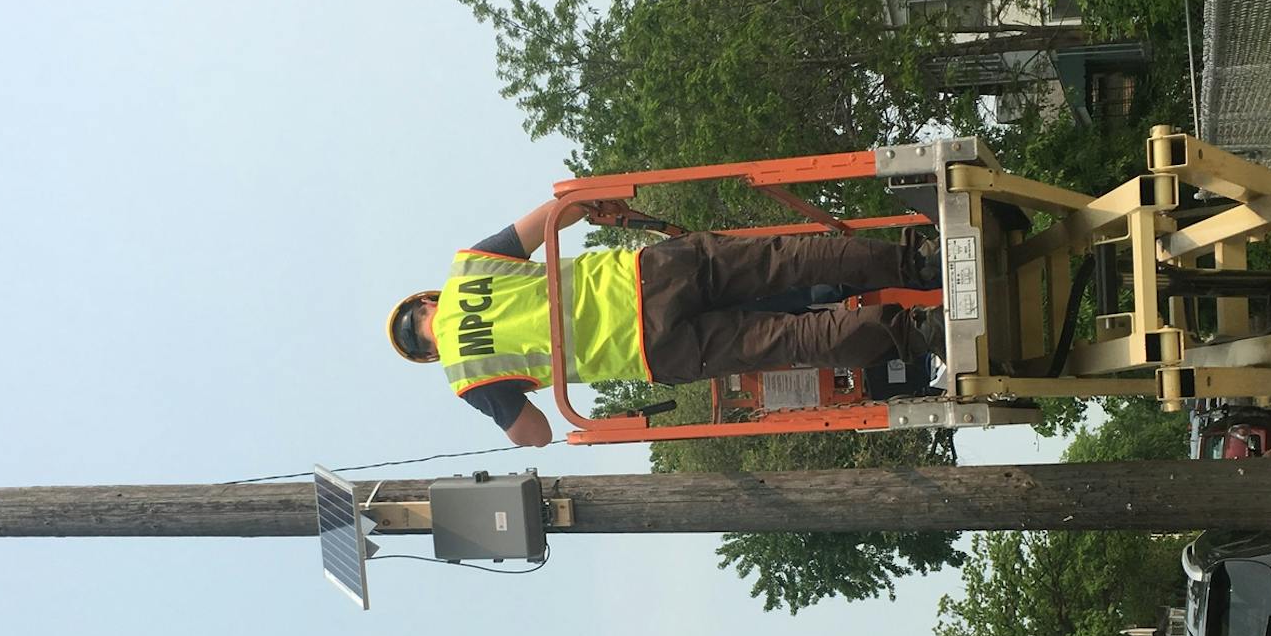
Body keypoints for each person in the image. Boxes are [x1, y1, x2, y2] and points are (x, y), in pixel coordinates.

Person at [386, 203, 940, 446]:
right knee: (787, 260)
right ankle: (919, 263)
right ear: (427, 299)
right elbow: (563, 210)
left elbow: (537, 433)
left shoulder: (467, 375)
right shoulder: (470, 269)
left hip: (653, 350)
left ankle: (921, 332)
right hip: (650, 275)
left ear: (428, 354)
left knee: (787, 340)